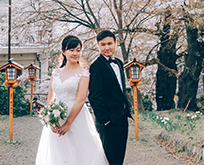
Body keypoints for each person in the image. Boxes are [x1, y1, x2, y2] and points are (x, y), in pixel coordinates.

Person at [35, 35, 108, 165]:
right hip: (56, 118)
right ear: (63, 51)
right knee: (58, 154)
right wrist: (49, 118)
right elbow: (50, 97)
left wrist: (68, 123)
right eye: (72, 50)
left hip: (76, 118)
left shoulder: (84, 74)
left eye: (78, 50)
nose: (75, 53)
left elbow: (80, 100)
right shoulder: (56, 72)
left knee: (79, 155)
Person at [88, 30, 132, 165]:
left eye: (109, 43)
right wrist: (105, 120)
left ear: (115, 44)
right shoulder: (96, 66)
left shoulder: (119, 63)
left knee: (119, 158)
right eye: (103, 44)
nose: (107, 47)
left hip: (122, 118)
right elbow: (95, 96)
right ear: (98, 46)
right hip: (108, 121)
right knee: (108, 159)